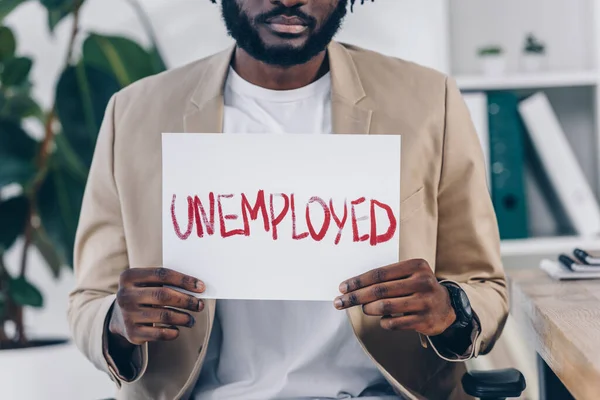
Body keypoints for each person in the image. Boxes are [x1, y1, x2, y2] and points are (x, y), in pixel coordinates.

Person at [67, 0, 508, 399]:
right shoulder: (135, 113)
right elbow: (90, 297)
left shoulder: (429, 102)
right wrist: (116, 321)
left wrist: (451, 309)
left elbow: (485, 286)